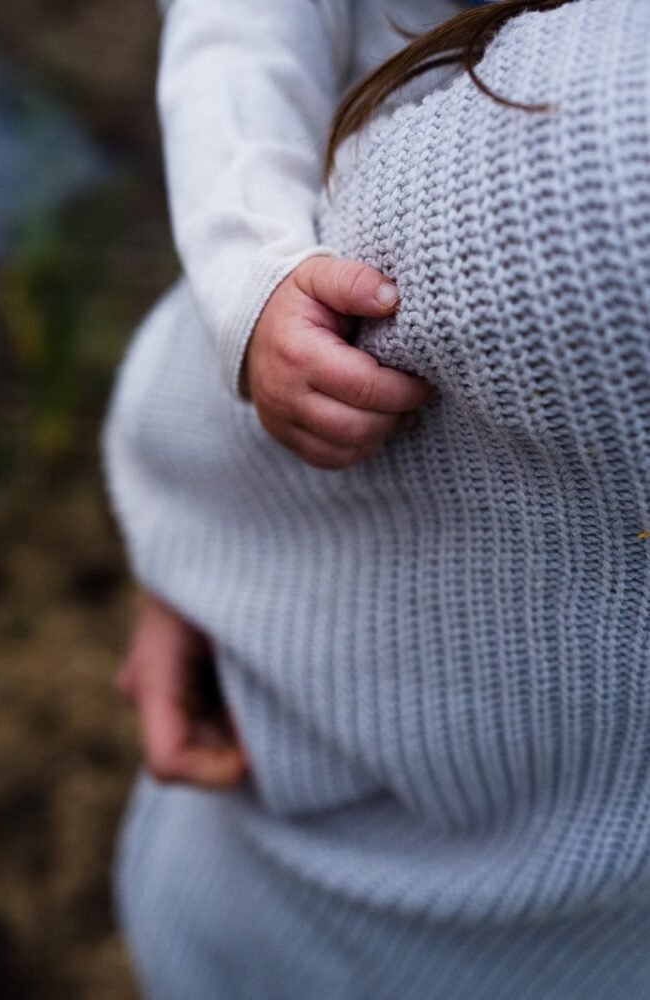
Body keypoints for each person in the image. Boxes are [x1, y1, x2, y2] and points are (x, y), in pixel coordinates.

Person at [105, 0, 650, 996]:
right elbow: (241, 37)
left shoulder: (590, 155)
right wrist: (255, 271)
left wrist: (191, 541)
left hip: (354, 870)